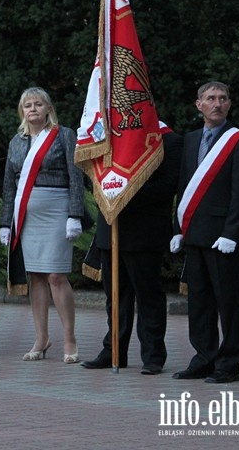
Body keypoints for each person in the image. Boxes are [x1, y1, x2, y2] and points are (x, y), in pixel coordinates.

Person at [170, 81, 239, 384]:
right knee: (199, 301)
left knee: (227, 303)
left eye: (222, 99)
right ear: (199, 105)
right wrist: (178, 229)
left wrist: (232, 232)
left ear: (229, 105)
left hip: (223, 239)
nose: (216, 103)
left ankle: (229, 362)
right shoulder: (191, 140)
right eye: (210, 98)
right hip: (194, 234)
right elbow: (183, 187)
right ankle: (204, 358)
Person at [81, 123, 182, 374]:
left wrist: (126, 189)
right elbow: (92, 174)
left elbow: (169, 185)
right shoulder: (110, 138)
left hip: (144, 231)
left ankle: (153, 355)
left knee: (148, 297)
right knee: (115, 298)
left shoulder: (167, 141)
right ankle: (113, 349)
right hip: (111, 229)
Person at [0, 87, 84, 363]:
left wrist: (75, 214)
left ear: (48, 108)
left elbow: (76, 177)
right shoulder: (16, 141)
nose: (33, 109)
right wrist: (5, 223)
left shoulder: (64, 135)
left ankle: (69, 337)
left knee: (56, 276)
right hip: (26, 215)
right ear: (22, 111)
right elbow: (10, 185)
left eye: (38, 104)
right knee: (35, 275)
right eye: (27, 105)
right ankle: (41, 338)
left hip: (57, 210)